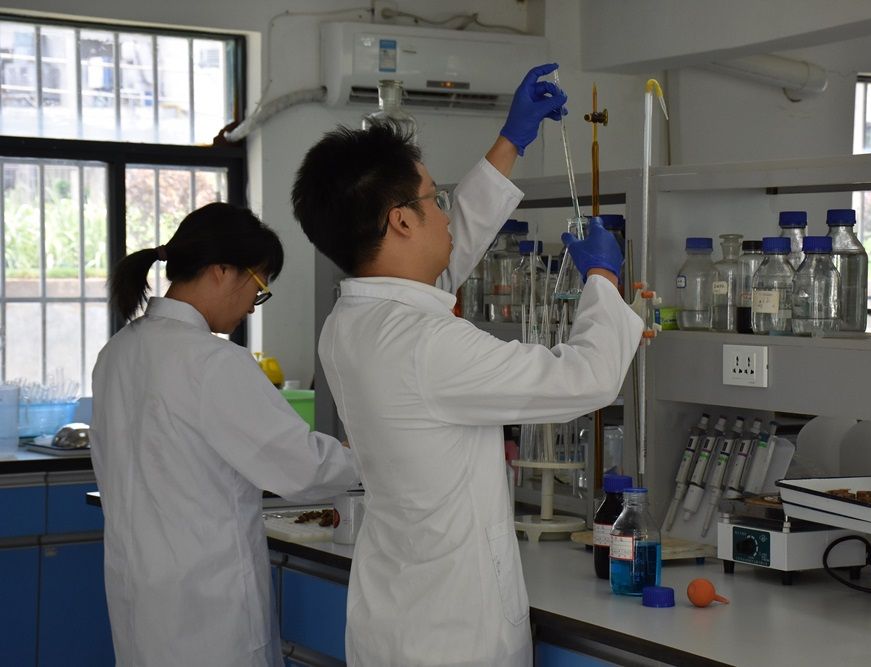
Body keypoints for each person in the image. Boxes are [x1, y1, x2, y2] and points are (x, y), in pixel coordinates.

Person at [292, 63, 643, 666]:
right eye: (435, 199)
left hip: (395, 618)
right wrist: (603, 280)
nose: (446, 212)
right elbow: (588, 378)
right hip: (452, 636)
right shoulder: (426, 344)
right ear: (402, 220)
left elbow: (439, 261)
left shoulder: (351, 323)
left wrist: (512, 142)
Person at [90, 202, 359, 667]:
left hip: (141, 598)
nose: (253, 304)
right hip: (208, 608)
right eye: (258, 286)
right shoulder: (212, 362)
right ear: (221, 270)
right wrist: (366, 454)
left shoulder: (117, 352)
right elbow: (302, 467)